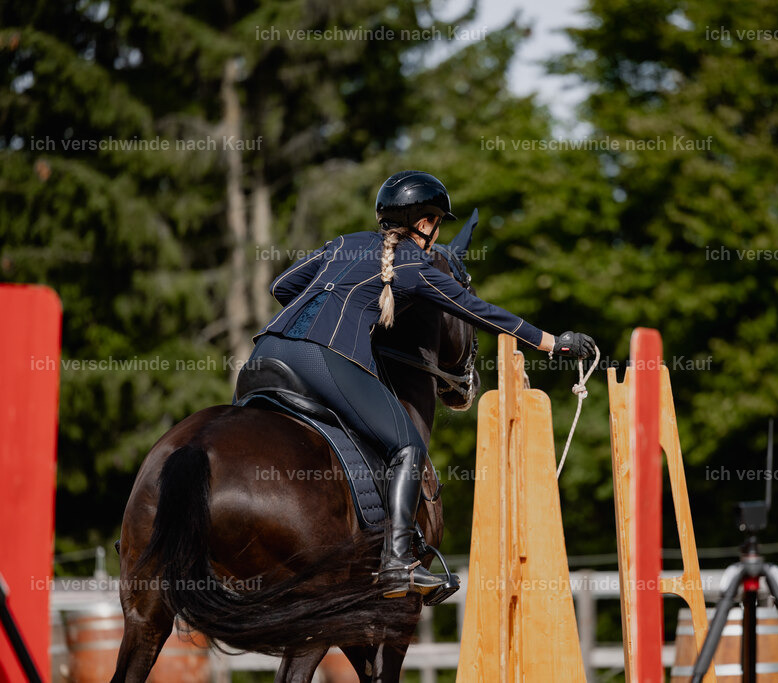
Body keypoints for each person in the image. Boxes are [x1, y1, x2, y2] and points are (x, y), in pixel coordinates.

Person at [244, 170, 596, 598]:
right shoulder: (414, 265)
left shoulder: (342, 243)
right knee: (409, 445)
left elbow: (282, 287)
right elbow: (477, 310)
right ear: (425, 224)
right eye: (438, 224)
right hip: (323, 359)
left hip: (261, 356)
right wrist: (553, 342)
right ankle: (396, 565)